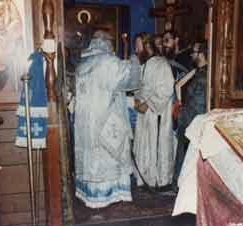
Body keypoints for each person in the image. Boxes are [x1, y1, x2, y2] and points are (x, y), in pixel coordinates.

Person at [74, 30, 139, 208]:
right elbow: (131, 82)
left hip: (87, 125)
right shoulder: (109, 62)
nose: (112, 44)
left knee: (92, 157)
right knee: (108, 158)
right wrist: (134, 59)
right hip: (106, 121)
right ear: (105, 42)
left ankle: (91, 195)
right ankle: (109, 195)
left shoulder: (83, 64)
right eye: (111, 41)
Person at [133, 32, 175, 188]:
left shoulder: (161, 64)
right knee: (144, 144)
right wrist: (138, 99)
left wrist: (148, 104)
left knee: (156, 144)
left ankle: (159, 180)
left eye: (137, 46)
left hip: (157, 113)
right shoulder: (144, 65)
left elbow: (166, 89)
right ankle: (146, 178)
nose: (136, 50)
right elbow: (141, 87)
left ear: (147, 45)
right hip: (145, 115)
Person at [172, 42, 208, 191]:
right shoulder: (198, 72)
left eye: (194, 52)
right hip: (189, 120)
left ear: (201, 54)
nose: (191, 55)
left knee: (188, 163)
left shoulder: (203, 77)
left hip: (193, 122)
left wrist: (180, 114)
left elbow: (198, 105)